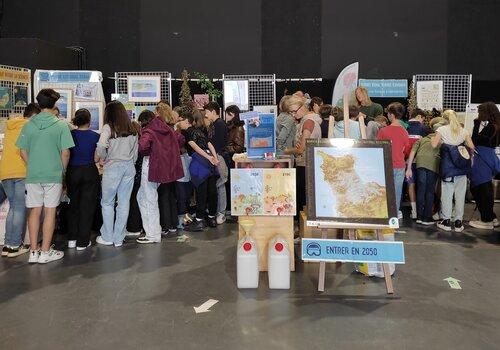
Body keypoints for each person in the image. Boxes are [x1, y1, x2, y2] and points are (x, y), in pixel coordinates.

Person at [16, 89, 75, 263]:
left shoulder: (29, 124)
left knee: (34, 211)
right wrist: (62, 171)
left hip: (33, 174)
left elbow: (22, 151)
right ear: (54, 104)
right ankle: (45, 251)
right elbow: (65, 153)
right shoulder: (61, 125)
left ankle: (33, 251)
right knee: (50, 212)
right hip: (53, 174)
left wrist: (32, 165)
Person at [136, 108, 184, 244]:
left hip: (150, 165)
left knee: (148, 199)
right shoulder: (166, 129)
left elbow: (142, 147)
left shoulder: (148, 130)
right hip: (161, 167)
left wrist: (151, 152)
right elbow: (180, 139)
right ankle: (153, 232)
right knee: (143, 197)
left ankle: (153, 234)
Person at [95, 101, 138, 247]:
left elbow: (100, 146)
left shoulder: (108, 127)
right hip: (129, 167)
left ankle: (107, 236)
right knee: (124, 203)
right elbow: (135, 152)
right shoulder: (132, 128)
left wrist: (103, 158)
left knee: (107, 202)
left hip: (113, 166)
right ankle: (119, 238)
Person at [0, 103, 40, 258]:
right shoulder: (29, 127)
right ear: (34, 116)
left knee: (13, 208)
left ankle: (8, 245)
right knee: (19, 208)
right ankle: (15, 245)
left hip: (4, 171)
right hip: (20, 170)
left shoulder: (10, 126)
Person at [431, 109, 475, 232]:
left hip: (448, 168)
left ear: (444, 119)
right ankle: (458, 223)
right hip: (462, 167)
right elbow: (471, 147)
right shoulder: (464, 131)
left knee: (447, 195)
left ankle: (445, 221)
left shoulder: (441, 130)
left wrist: (437, 141)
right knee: (460, 195)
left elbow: (434, 145)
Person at [178, 110, 219, 231]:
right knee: (212, 191)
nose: (179, 123)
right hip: (210, 163)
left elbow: (194, 147)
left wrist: (209, 158)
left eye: (180, 120)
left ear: (186, 121)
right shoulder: (200, 131)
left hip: (200, 163)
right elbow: (210, 144)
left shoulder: (186, 132)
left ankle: (200, 220)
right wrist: (214, 158)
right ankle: (212, 218)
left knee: (202, 192)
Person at [66, 109, 100, 250]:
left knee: (73, 205)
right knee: (87, 206)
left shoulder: (70, 135)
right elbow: (98, 157)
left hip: (72, 171)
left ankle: (71, 239)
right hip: (89, 171)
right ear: (89, 121)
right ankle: (83, 241)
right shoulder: (95, 136)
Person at [284, 95, 322, 215]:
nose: (293, 115)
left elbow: (301, 149)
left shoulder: (308, 122)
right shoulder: (310, 121)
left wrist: (285, 151)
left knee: (303, 200)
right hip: (308, 164)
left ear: (301, 107)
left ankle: (302, 228)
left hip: (305, 165)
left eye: (293, 112)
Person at [405, 117, 445, 225]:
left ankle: (419, 217)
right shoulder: (441, 141)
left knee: (421, 189)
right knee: (430, 190)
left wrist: (408, 168)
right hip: (432, 165)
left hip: (420, 164)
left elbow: (412, 153)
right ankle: (427, 217)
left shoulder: (421, 139)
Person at [468, 102, 500, 230]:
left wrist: (476, 125)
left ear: (487, 112)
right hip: (488, 157)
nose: (478, 114)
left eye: (480, 111)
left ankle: (486, 220)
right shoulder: (496, 126)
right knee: (484, 187)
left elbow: (475, 140)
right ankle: (491, 217)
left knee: (480, 187)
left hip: (482, 158)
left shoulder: (492, 127)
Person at [377, 102, 410, 217]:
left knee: (383, 191)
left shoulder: (383, 131)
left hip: (385, 165)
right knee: (397, 192)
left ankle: (383, 213)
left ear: (391, 115)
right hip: (400, 165)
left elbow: (378, 149)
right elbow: (406, 150)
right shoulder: (404, 132)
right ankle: (394, 214)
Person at [156, 101, 183, 235]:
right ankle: (173, 224)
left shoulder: (160, 129)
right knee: (171, 195)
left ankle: (165, 226)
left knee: (163, 196)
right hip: (173, 165)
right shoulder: (172, 129)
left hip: (163, 165)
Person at [205, 102, 228, 225]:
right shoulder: (215, 124)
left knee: (221, 184)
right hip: (216, 157)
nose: (206, 115)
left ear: (213, 111)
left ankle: (221, 213)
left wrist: (215, 157)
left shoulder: (219, 124)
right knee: (218, 184)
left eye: (207, 112)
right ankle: (219, 211)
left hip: (219, 157)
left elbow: (218, 144)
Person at [405, 109, 428, 219]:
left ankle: (414, 211)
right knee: (422, 185)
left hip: (407, 161)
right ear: (419, 116)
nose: (423, 121)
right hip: (421, 161)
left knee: (411, 184)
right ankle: (421, 211)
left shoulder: (404, 127)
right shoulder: (424, 129)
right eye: (423, 119)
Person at [225, 105, 245, 216]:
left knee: (233, 185)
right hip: (229, 159)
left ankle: (233, 209)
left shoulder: (238, 128)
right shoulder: (231, 127)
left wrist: (225, 148)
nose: (226, 116)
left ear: (233, 115)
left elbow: (238, 147)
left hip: (233, 160)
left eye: (228, 114)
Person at [125, 120, 144, 237]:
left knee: (133, 201)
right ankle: (139, 226)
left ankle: (134, 227)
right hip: (142, 176)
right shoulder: (142, 142)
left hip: (134, 176)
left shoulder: (132, 143)